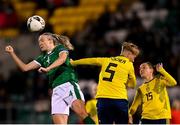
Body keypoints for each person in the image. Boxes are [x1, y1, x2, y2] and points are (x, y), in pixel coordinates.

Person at [5, 32, 95, 124]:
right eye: (39, 42)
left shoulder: (59, 48)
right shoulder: (42, 57)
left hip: (68, 85)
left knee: (82, 113)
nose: (40, 43)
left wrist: (48, 68)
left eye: (42, 40)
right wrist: (12, 53)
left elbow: (62, 59)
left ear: (50, 40)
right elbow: (25, 68)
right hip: (56, 91)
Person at [71, 42, 140, 124]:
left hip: (103, 100)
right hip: (119, 100)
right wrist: (126, 81)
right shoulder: (129, 64)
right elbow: (133, 85)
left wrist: (74, 62)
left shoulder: (107, 60)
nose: (133, 59)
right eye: (134, 56)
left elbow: (91, 60)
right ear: (128, 54)